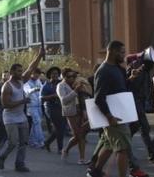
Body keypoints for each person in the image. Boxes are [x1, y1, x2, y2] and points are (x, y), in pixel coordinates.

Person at [87, 40, 133, 177]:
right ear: (112, 51)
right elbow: (99, 97)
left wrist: (131, 79)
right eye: (122, 52)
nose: (124, 55)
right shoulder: (104, 70)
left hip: (121, 113)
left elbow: (121, 88)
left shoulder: (118, 69)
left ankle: (95, 172)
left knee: (108, 145)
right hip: (114, 116)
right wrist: (109, 116)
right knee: (123, 149)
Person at [0, 48, 44, 172]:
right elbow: (5, 105)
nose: (21, 73)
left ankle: (19, 164)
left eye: (21, 71)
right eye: (18, 71)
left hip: (21, 116)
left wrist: (39, 55)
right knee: (12, 142)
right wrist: (22, 101)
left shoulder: (21, 80)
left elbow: (31, 67)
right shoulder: (7, 86)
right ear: (12, 72)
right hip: (10, 117)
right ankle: (1, 156)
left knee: (23, 142)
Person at [57, 68, 89, 164]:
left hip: (80, 111)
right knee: (78, 135)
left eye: (73, 76)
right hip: (71, 113)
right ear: (64, 77)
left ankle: (82, 159)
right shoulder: (61, 86)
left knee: (82, 135)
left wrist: (84, 110)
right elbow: (64, 101)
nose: (72, 78)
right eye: (69, 76)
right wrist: (75, 90)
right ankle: (66, 149)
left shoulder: (77, 83)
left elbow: (83, 97)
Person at [41, 66, 66, 154]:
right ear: (49, 75)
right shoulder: (46, 85)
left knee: (61, 128)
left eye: (56, 73)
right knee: (59, 128)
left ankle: (47, 142)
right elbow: (42, 98)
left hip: (61, 107)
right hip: (51, 108)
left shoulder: (61, 83)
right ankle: (60, 148)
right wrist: (54, 96)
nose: (55, 75)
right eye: (53, 73)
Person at [23, 68, 45, 148]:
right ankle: (41, 141)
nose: (37, 75)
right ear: (31, 73)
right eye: (35, 73)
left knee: (35, 124)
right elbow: (27, 91)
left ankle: (31, 141)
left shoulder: (38, 81)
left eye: (38, 74)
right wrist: (35, 89)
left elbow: (42, 90)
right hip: (31, 106)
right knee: (37, 122)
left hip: (39, 105)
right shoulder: (26, 82)